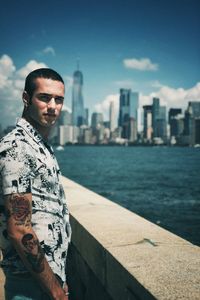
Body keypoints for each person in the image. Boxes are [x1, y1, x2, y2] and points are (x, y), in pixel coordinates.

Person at [0, 68, 71, 299]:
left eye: (58, 99)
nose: (53, 106)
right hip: (30, 286)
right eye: (44, 97)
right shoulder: (18, 148)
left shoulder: (40, 146)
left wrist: (57, 277)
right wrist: (54, 290)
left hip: (43, 281)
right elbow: (20, 229)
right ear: (26, 98)